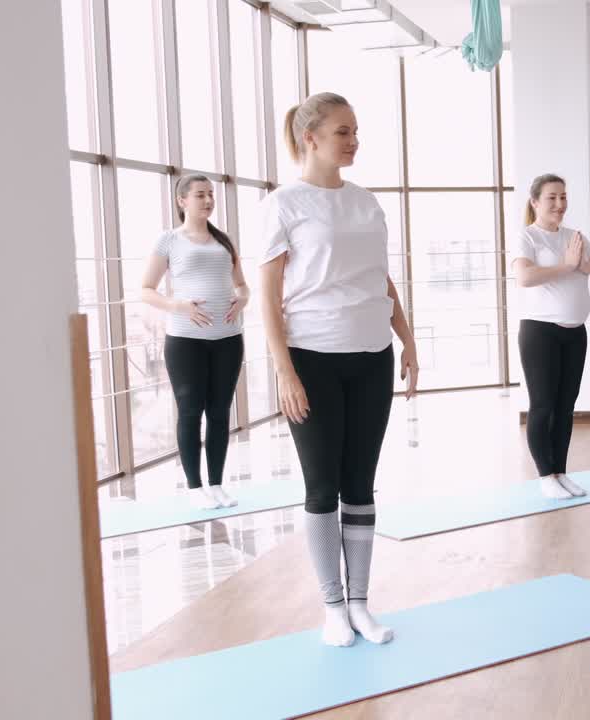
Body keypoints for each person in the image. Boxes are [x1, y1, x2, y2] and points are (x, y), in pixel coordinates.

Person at [259, 92, 418, 648]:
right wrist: (285, 371)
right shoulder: (285, 204)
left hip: (371, 357)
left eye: (355, 131)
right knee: (322, 487)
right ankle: (331, 604)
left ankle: (360, 604)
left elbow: (381, 278)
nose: (354, 141)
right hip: (312, 359)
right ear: (311, 139)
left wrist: (409, 342)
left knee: (360, 485)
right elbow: (269, 297)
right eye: (342, 132)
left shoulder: (366, 202)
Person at [141, 174, 248, 509]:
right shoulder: (169, 241)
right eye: (200, 195)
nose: (208, 200)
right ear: (182, 200)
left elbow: (243, 286)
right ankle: (193, 487)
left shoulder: (224, 241)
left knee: (219, 413)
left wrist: (242, 300)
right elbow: (146, 289)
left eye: (211, 195)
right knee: (190, 411)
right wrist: (179, 306)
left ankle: (216, 484)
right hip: (186, 341)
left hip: (228, 340)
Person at [511, 174, 590, 500]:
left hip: (574, 333)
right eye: (551, 198)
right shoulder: (527, 237)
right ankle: (545, 476)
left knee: (566, 406)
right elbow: (525, 277)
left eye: (563, 197)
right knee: (543, 406)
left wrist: (582, 262)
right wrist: (568, 265)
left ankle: (561, 472)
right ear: (535, 202)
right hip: (539, 332)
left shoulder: (575, 238)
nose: (559, 204)